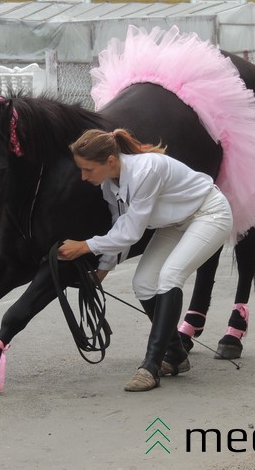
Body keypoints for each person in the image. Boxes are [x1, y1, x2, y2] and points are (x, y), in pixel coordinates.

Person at [58, 128, 233, 392]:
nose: (83, 177)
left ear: (111, 161)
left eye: (88, 169)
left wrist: (84, 247)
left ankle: (150, 367)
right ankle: (175, 355)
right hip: (176, 222)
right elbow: (120, 226)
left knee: (169, 277)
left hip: (210, 214)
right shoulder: (109, 184)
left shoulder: (146, 171)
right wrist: (102, 270)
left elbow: (131, 233)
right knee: (143, 283)